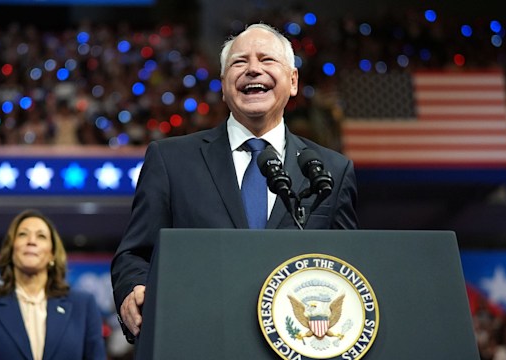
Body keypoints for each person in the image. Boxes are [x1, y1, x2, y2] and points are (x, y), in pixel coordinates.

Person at [111, 22, 359, 343]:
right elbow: (135, 253)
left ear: (293, 81)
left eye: (267, 60)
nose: (253, 69)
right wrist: (134, 289)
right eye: (239, 62)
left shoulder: (331, 171)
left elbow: (347, 267)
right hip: (197, 338)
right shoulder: (170, 160)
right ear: (224, 85)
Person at [0, 209, 106, 360]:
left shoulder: (83, 306)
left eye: (41, 236)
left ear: (52, 255)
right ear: (11, 250)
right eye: (23, 234)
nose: (31, 241)